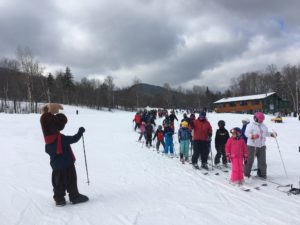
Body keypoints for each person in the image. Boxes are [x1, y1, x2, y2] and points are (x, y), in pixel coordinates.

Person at [40, 103, 89, 206]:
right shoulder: (60, 139)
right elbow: (74, 139)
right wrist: (80, 131)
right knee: (71, 180)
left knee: (58, 183)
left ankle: (59, 199)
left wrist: (48, 111)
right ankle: (74, 196)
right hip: (67, 165)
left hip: (56, 167)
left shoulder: (48, 141)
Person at [244, 112, 277, 179]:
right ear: (255, 118)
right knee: (250, 160)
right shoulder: (250, 125)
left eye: (262, 120)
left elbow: (265, 133)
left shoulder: (263, 126)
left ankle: (262, 174)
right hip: (252, 146)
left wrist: (271, 134)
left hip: (262, 146)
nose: (261, 121)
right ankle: (246, 174)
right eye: (260, 120)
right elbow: (246, 133)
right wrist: (252, 136)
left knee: (262, 161)